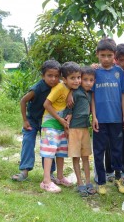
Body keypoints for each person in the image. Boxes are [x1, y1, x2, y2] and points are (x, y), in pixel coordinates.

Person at [11, 60, 60, 182]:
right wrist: (25, 120)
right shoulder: (37, 88)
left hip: (48, 121)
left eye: (56, 76)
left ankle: (49, 174)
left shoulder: (60, 86)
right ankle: (24, 171)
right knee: (28, 141)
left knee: (49, 145)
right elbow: (23, 101)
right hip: (32, 120)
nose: (53, 79)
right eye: (49, 75)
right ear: (43, 76)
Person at [91, 38, 124, 194]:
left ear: (114, 56)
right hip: (100, 120)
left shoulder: (119, 72)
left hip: (117, 119)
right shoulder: (93, 72)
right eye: (103, 55)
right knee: (99, 151)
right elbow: (92, 96)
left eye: (109, 55)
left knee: (117, 150)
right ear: (97, 54)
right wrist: (94, 117)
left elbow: (123, 95)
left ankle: (119, 179)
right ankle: (101, 181)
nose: (106, 59)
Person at [40, 61, 81, 193]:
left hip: (61, 124)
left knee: (61, 151)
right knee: (49, 151)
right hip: (50, 123)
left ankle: (60, 177)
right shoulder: (59, 87)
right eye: (73, 78)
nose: (76, 81)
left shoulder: (73, 89)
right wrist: (60, 120)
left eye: (78, 77)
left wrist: (65, 122)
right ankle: (46, 181)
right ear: (65, 79)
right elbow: (46, 104)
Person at [64, 66, 96, 197]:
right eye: (85, 80)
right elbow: (68, 111)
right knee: (76, 157)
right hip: (73, 129)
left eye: (91, 80)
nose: (88, 82)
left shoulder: (90, 93)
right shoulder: (74, 93)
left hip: (85, 129)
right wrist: (67, 128)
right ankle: (79, 183)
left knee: (86, 157)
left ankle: (88, 182)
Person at [105, 43, 124, 185]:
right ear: (115, 58)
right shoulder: (109, 71)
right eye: (121, 60)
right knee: (110, 144)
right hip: (111, 114)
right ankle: (109, 171)